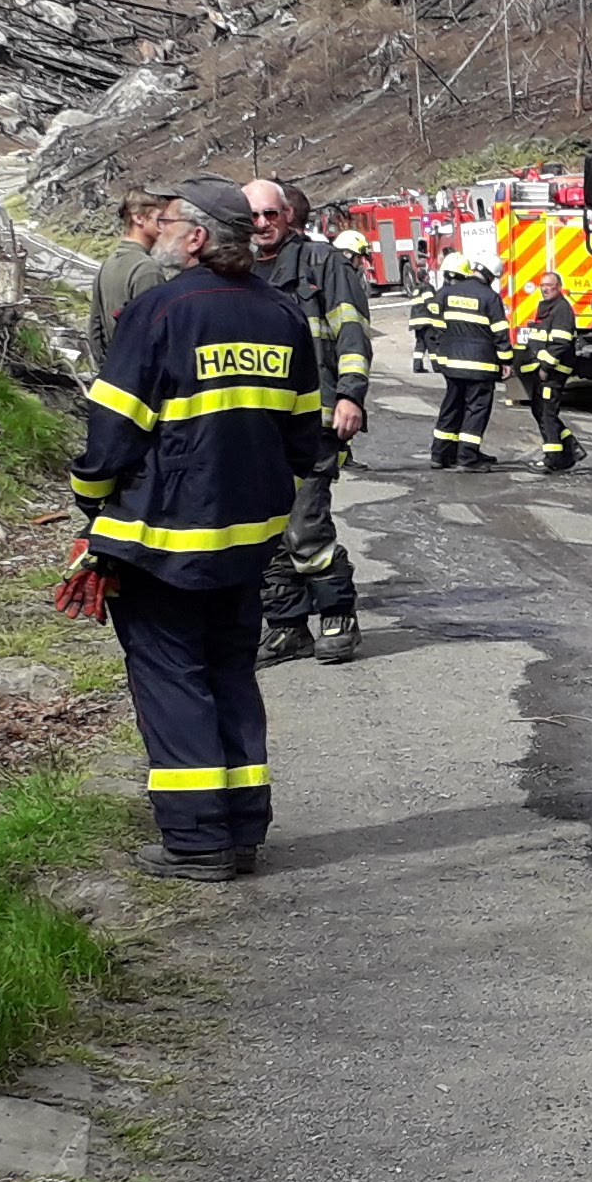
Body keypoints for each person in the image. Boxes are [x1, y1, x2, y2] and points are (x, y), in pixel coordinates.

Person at [66, 180, 327, 881]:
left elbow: (113, 431)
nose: (161, 233)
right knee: (231, 675)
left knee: (172, 679)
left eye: (172, 223)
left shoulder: (159, 311)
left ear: (200, 237)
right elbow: (306, 438)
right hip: (248, 542)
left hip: (162, 543)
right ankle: (243, 829)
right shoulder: (282, 314)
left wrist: (89, 500)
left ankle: (197, 840)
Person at [242, 176, 372, 664]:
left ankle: (338, 616)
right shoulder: (236, 267)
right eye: (252, 216)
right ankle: (285, 625)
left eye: (270, 215)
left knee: (304, 525)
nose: (261, 225)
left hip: (314, 420)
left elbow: (352, 334)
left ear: (287, 216)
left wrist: (350, 396)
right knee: (266, 529)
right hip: (254, 424)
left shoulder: (322, 263)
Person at [416, 256, 506, 470]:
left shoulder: (447, 292)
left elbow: (432, 316)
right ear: (491, 276)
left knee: (451, 406)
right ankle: (467, 456)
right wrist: (506, 360)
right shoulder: (490, 297)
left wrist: (442, 342)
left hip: (452, 362)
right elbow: (500, 333)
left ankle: (440, 454)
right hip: (481, 366)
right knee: (476, 409)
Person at [88, 190, 170, 368]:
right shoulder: (147, 269)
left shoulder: (106, 265)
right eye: (161, 219)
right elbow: (155, 336)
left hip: (115, 371)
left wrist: (107, 369)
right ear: (138, 218)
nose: (165, 226)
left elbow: (94, 329)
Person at [515, 279, 584, 473]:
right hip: (545, 370)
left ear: (559, 287)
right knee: (540, 410)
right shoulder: (547, 308)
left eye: (549, 285)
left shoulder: (561, 309)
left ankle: (554, 459)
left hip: (554, 371)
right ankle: (570, 448)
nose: (544, 288)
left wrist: (545, 367)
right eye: (542, 285)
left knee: (546, 412)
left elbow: (561, 344)